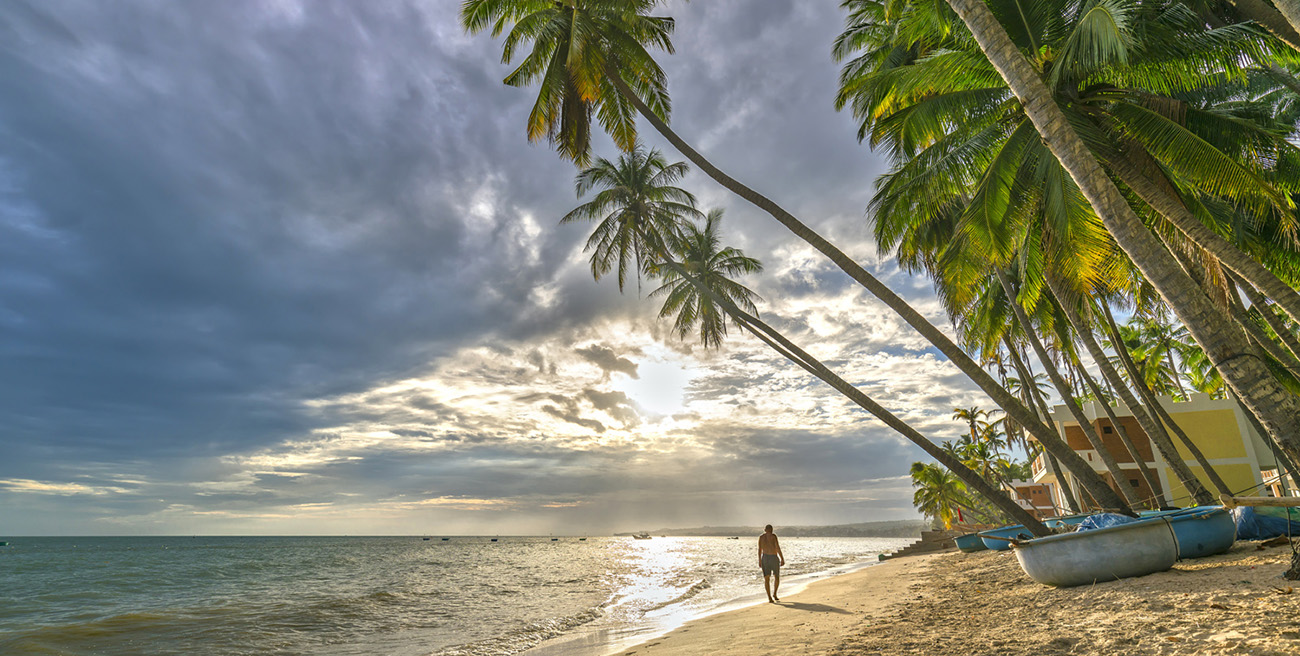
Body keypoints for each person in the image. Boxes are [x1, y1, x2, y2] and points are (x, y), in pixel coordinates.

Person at [758, 524, 785, 603]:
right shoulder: (773, 536)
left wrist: (759, 560)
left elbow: (759, 550)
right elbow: (777, 547)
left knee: (768, 578)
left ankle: (771, 596)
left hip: (766, 558)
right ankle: (773, 595)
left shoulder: (762, 537)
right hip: (772, 557)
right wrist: (782, 558)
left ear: (765, 529)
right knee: (775, 576)